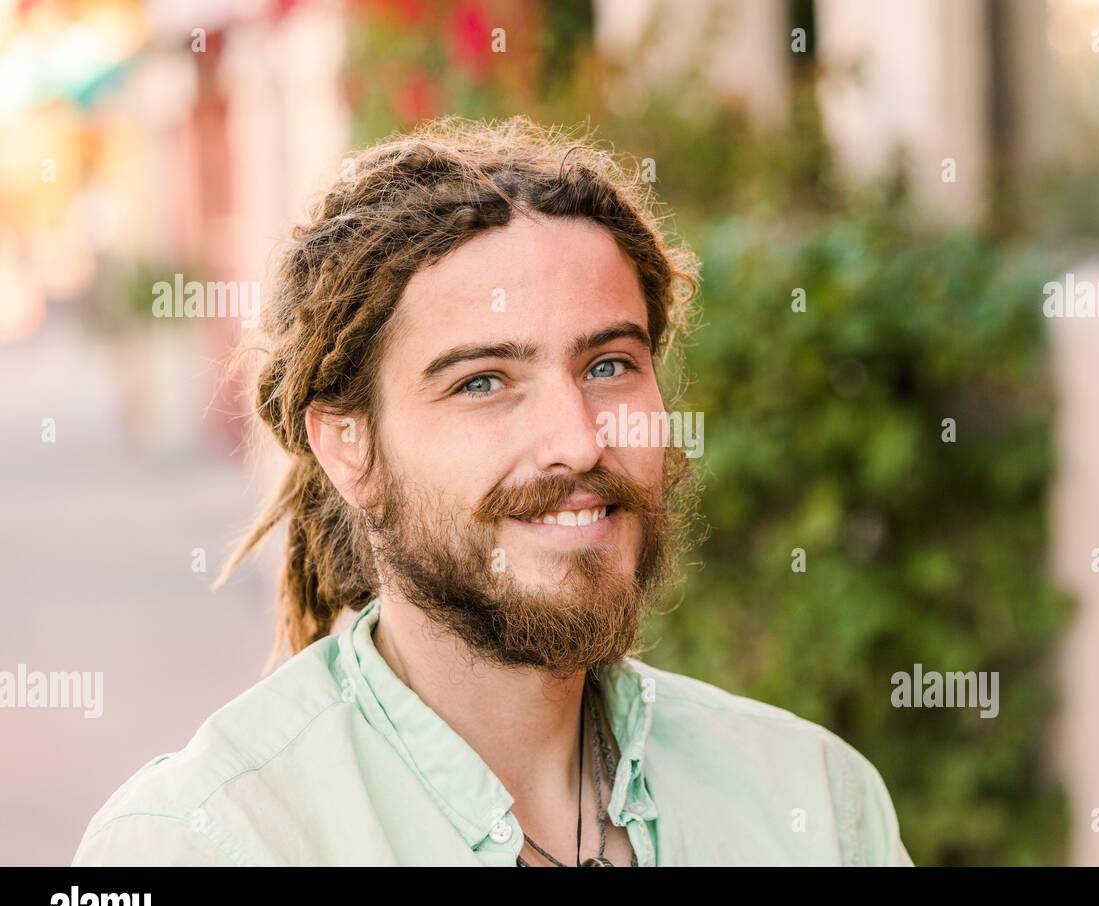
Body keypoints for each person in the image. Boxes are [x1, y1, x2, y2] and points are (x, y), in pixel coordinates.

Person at [72, 116, 912, 866]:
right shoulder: (200, 843)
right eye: (482, 382)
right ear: (348, 447)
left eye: (610, 366)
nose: (579, 440)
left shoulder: (816, 806)